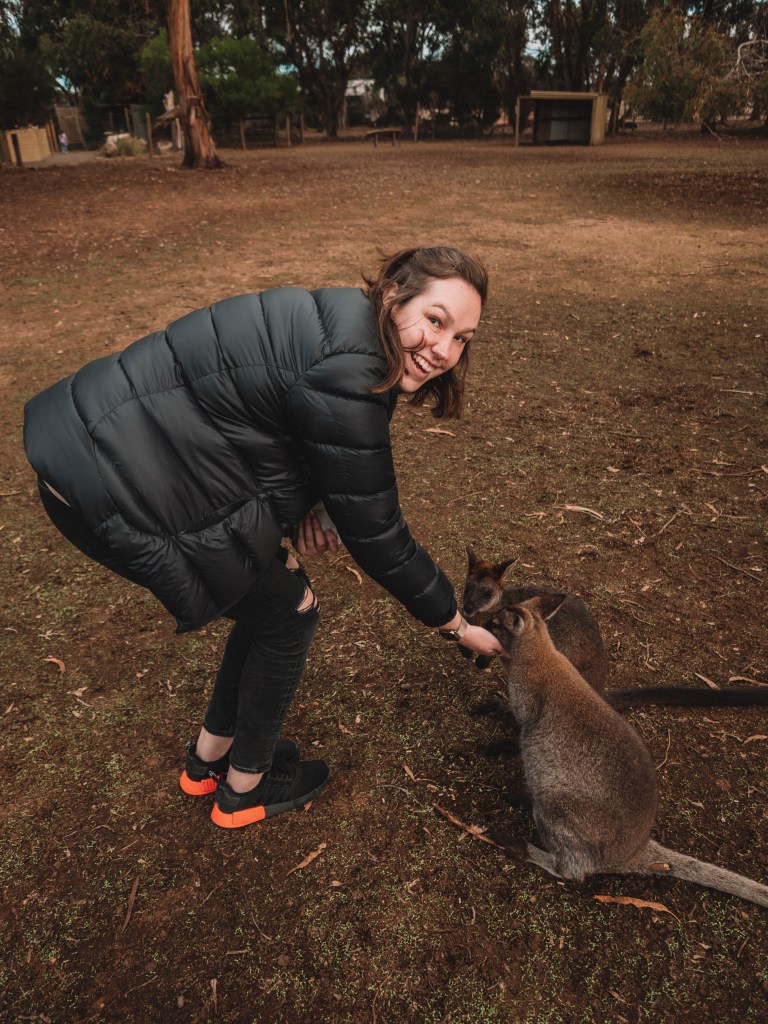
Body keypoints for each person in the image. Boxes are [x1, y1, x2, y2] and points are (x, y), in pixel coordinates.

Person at [23, 246, 504, 830]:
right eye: (435, 320)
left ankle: (209, 760)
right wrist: (455, 623)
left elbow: (261, 425)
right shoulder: (351, 370)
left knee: (272, 597)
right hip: (114, 482)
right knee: (288, 611)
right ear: (393, 292)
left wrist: (311, 504)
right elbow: (377, 533)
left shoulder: (341, 324)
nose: (444, 351)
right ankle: (244, 788)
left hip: (95, 452)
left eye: (462, 338)